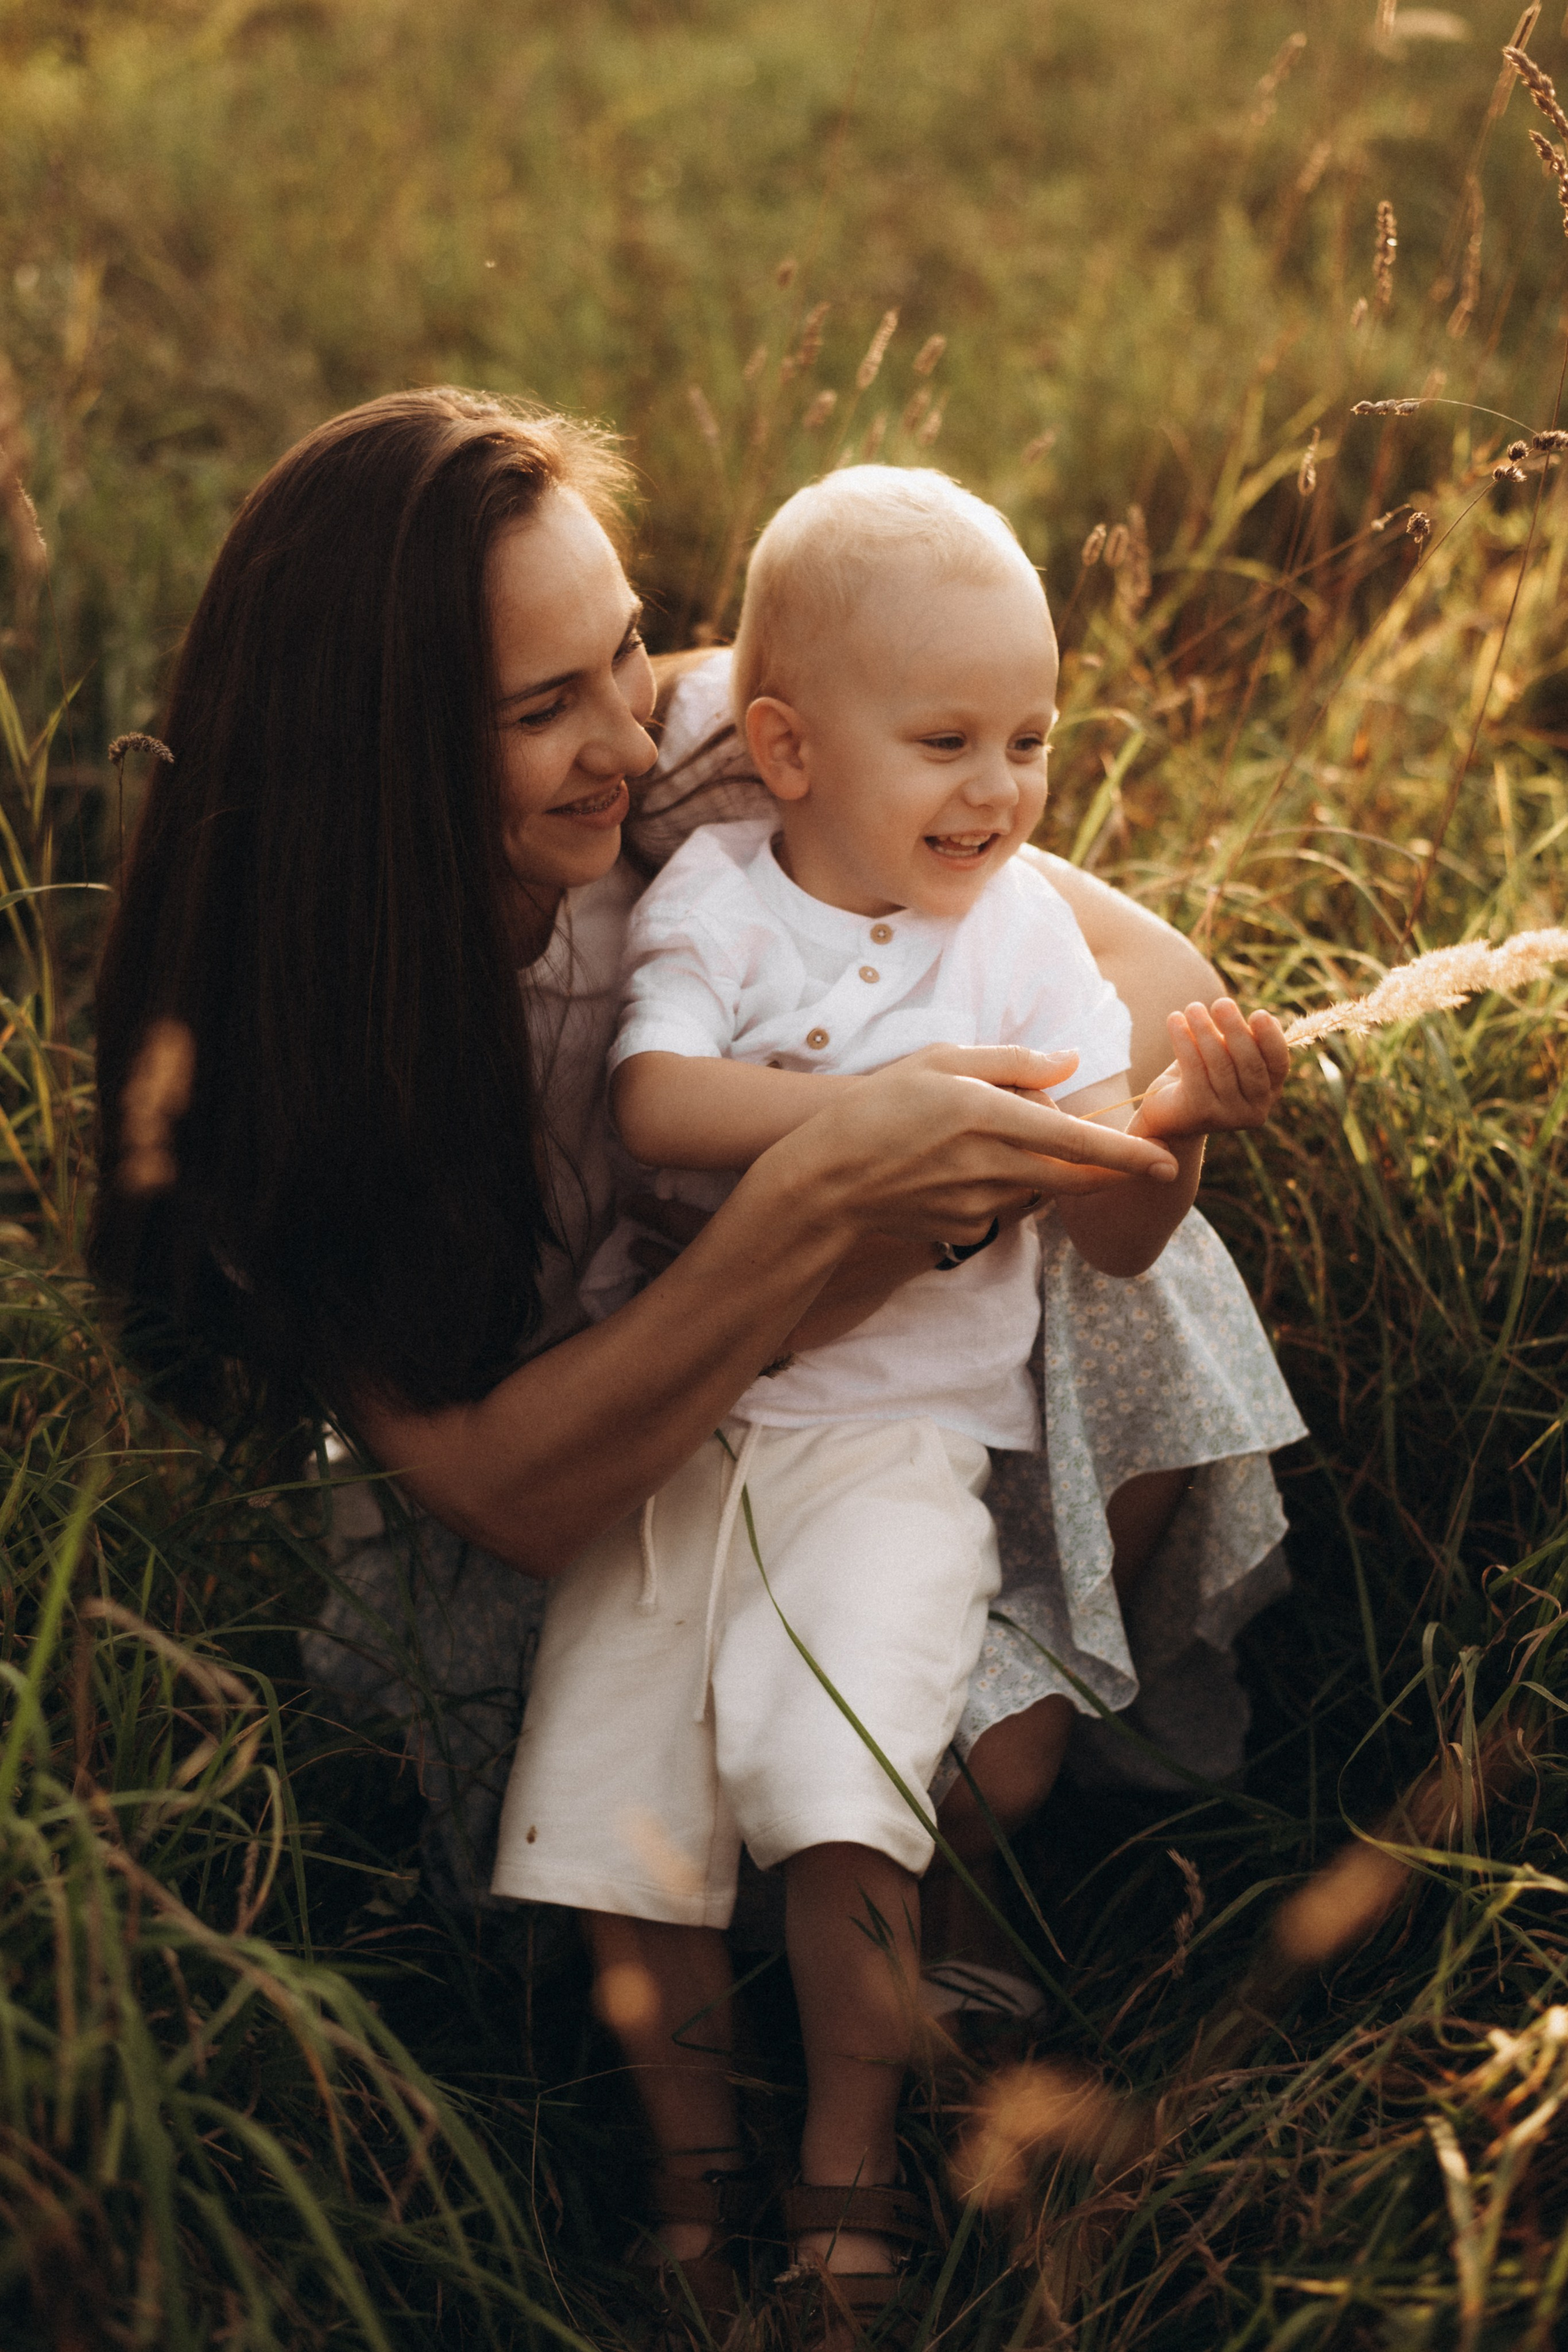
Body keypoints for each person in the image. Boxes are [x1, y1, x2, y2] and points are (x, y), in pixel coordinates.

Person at [86, 388, 1304, 2343]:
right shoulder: (289, 1064)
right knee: (634, 1805)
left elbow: (1135, 977)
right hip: (588, 1466)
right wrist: (817, 1192)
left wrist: (1018, 1107)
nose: (640, 733)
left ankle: (980, 1853)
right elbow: (511, 1489)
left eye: (632, 646)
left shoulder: (722, 744)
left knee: (1117, 1299)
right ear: (382, 754)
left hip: (867, 1408)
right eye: (546, 704)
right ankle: (697, 2123)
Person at [490, 467, 1290, 2337]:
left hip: (898, 1449)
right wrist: (887, 1126)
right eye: (944, 741)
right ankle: (691, 2180)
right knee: (628, 1822)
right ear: (782, 745)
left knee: (851, 1810)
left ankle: (846, 2178)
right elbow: (656, 1107)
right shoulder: (714, 897)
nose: (1000, 790)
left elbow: (1110, 1227)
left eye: (1031, 738)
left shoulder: (1016, 938)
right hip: (674, 1439)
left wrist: (1169, 1132)